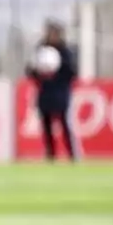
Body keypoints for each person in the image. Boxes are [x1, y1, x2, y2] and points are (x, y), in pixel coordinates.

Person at [27, 21, 79, 161]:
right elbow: (30, 71)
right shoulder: (40, 50)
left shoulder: (65, 52)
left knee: (64, 123)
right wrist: (39, 72)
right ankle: (51, 155)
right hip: (45, 93)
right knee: (46, 125)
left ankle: (72, 155)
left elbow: (72, 73)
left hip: (60, 93)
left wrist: (57, 72)